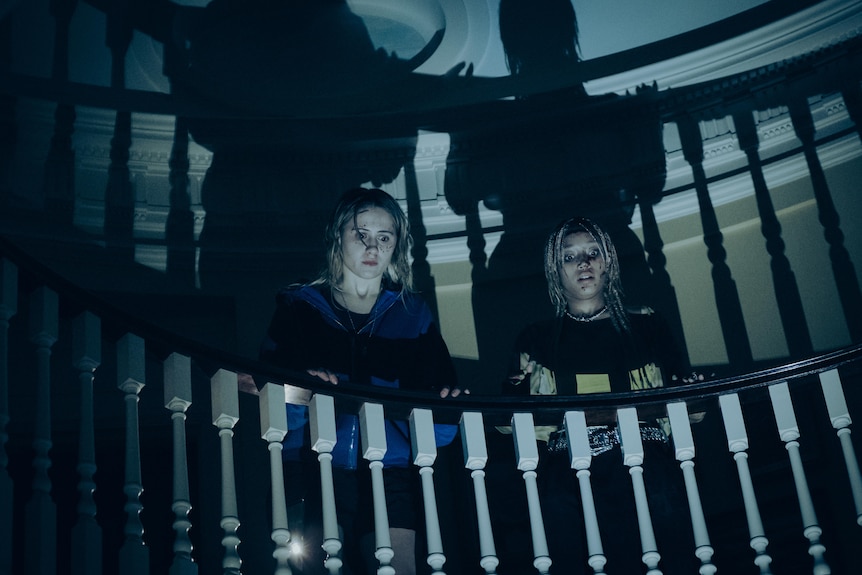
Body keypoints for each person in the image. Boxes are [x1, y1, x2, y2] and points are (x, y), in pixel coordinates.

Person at [260, 187, 466, 575]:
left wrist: (447, 405)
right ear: (338, 235)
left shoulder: (413, 313)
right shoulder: (299, 307)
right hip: (313, 461)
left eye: (384, 237)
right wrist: (301, 390)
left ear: (396, 246)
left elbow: (439, 424)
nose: (373, 246)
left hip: (392, 469)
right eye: (361, 234)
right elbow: (268, 398)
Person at [493, 216, 700, 574]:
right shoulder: (536, 338)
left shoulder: (647, 324)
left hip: (645, 460)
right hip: (568, 469)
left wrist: (692, 389)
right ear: (555, 270)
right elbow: (507, 426)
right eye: (570, 257)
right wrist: (514, 386)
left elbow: (690, 408)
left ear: (609, 261)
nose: (584, 263)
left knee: (666, 538)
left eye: (592, 252)